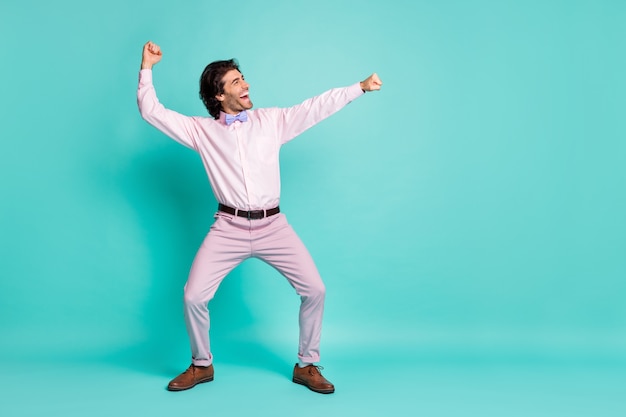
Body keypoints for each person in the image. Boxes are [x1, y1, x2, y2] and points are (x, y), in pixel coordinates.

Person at [137, 41, 382, 394]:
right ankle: (201, 364)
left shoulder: (272, 121)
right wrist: (147, 67)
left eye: (243, 78)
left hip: (273, 227)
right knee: (193, 297)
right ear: (219, 96)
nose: (246, 85)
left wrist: (358, 88)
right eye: (236, 82)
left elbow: (316, 107)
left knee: (315, 289)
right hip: (228, 228)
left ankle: (307, 364)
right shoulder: (200, 132)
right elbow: (151, 111)